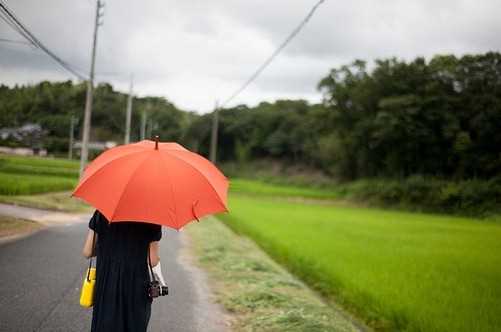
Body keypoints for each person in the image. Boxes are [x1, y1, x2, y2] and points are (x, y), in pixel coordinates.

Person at [82, 210, 162, 332]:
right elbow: (153, 260)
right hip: (136, 287)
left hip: (106, 284)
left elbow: (87, 252)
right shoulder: (152, 218)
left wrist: (107, 249)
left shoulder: (102, 212)